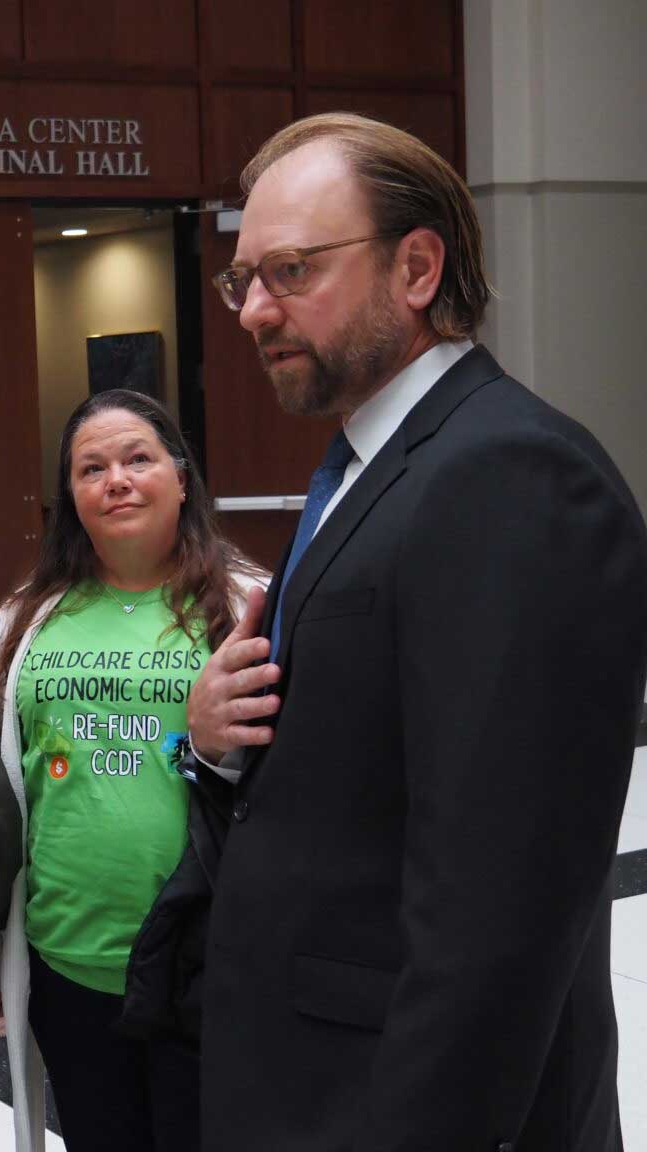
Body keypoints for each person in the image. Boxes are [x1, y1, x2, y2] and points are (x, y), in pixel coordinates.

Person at [189, 112, 647, 1152]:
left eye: (292, 270)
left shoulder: (512, 477)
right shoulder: (368, 464)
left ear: (417, 267)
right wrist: (217, 748)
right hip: (315, 1070)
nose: (256, 310)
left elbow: (501, 908)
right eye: (243, 279)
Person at [0, 389, 264, 1152]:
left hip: (208, 961)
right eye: (91, 468)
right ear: (70, 496)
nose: (115, 480)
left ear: (182, 478)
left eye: (138, 459)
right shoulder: (26, 619)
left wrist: (213, 746)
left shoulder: (246, 604)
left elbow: (292, 779)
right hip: (69, 961)